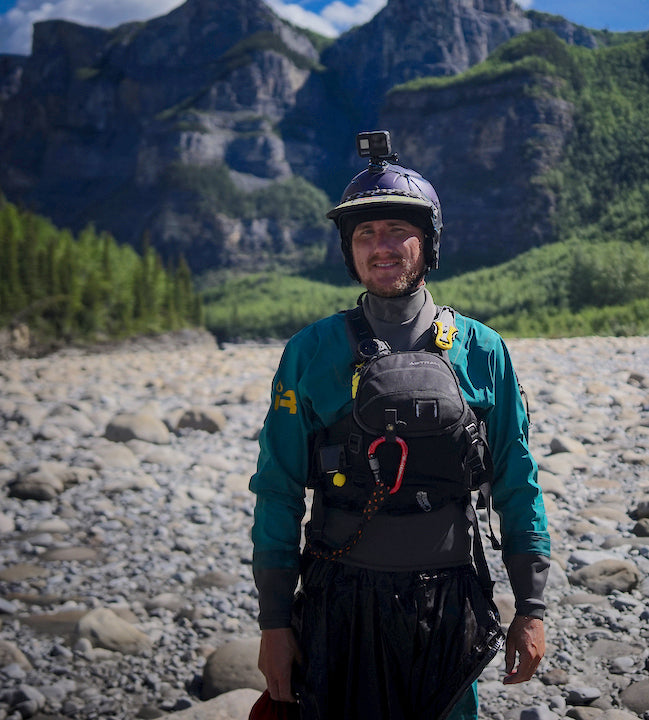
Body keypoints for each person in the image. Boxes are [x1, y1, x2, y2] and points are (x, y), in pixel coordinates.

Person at [250, 131, 550, 720]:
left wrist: (532, 607)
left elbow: (517, 482)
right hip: (339, 601)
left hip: (449, 600)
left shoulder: (482, 349)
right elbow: (278, 492)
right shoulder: (310, 352)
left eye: (397, 231)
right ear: (348, 249)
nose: (380, 246)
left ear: (429, 242)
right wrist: (275, 624)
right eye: (364, 234)